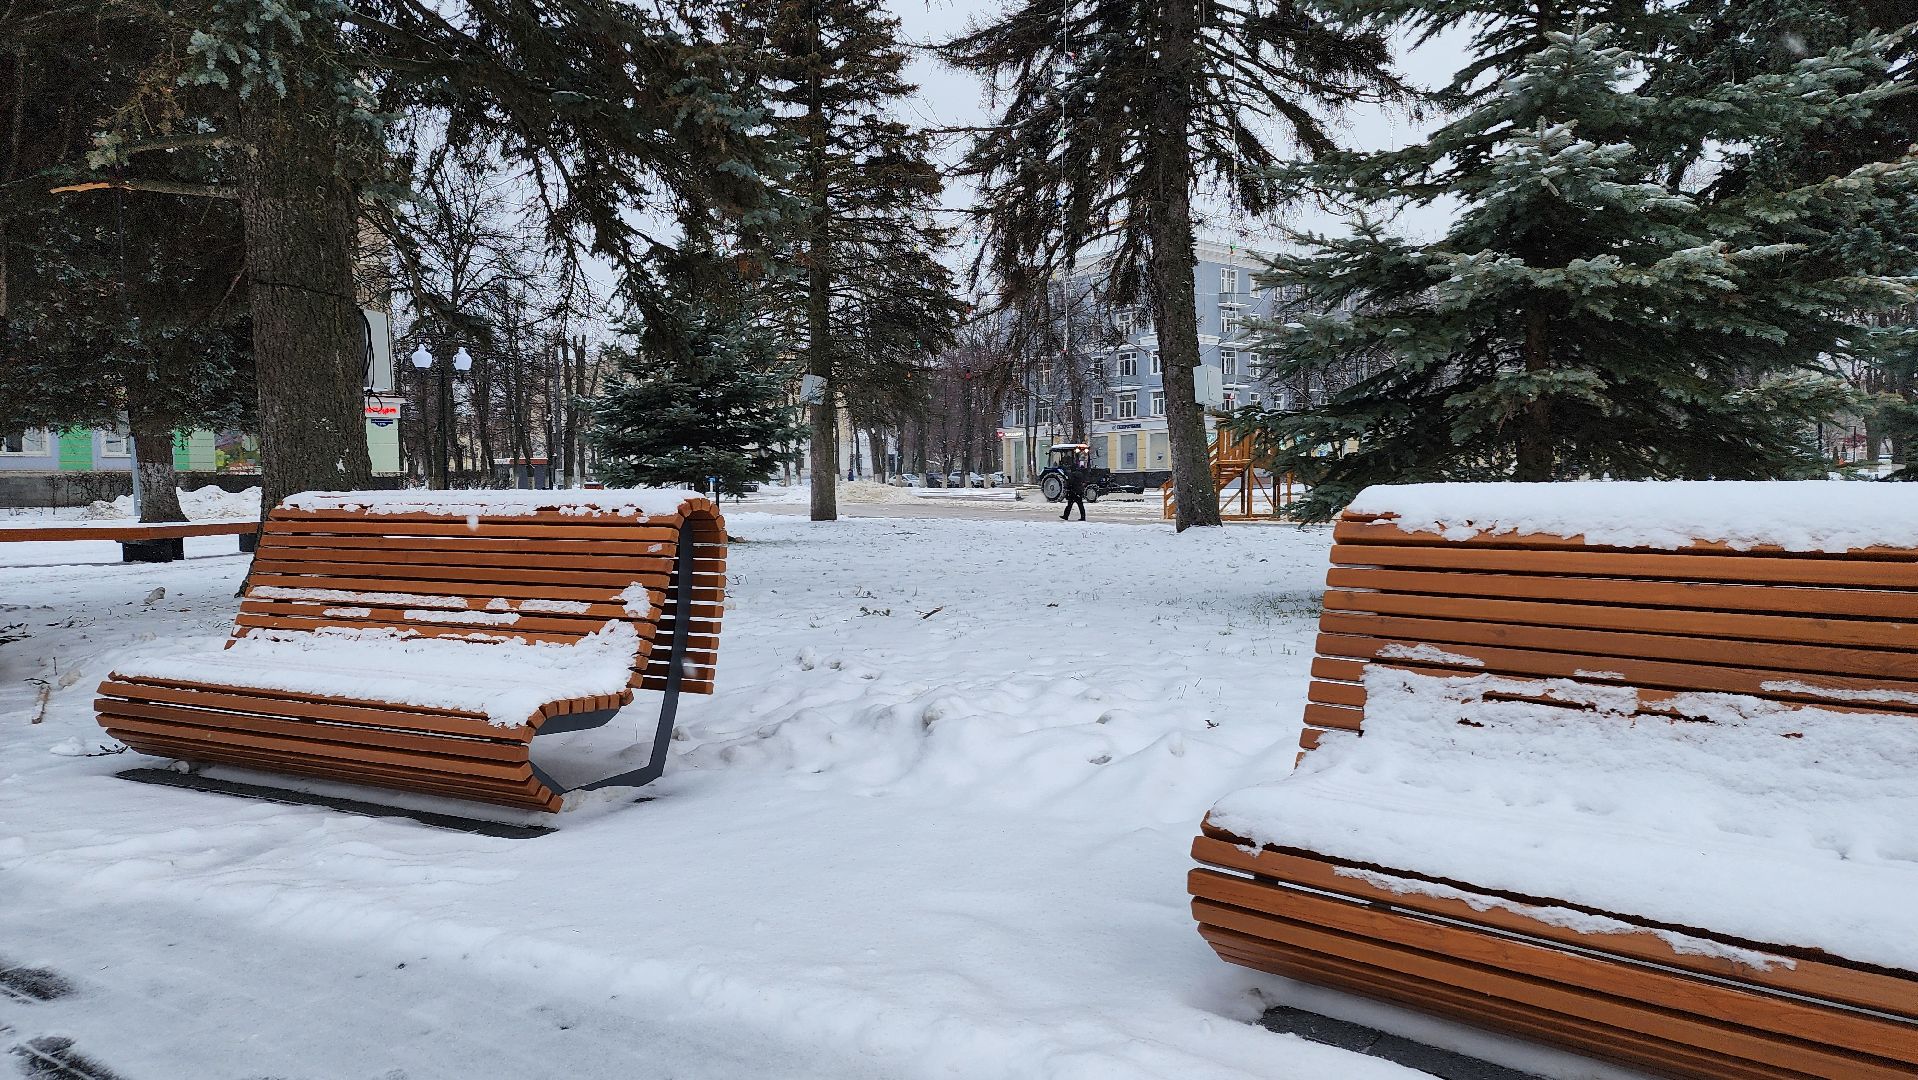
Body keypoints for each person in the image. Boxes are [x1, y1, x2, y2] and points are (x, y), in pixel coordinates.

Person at [1060, 454, 1090, 522]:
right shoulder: (1080, 474)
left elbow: (1070, 483)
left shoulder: (1072, 475)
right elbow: (1082, 482)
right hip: (1079, 492)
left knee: (1069, 505)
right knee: (1080, 505)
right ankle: (1083, 517)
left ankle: (1065, 516)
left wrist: (1067, 489)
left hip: (1073, 492)